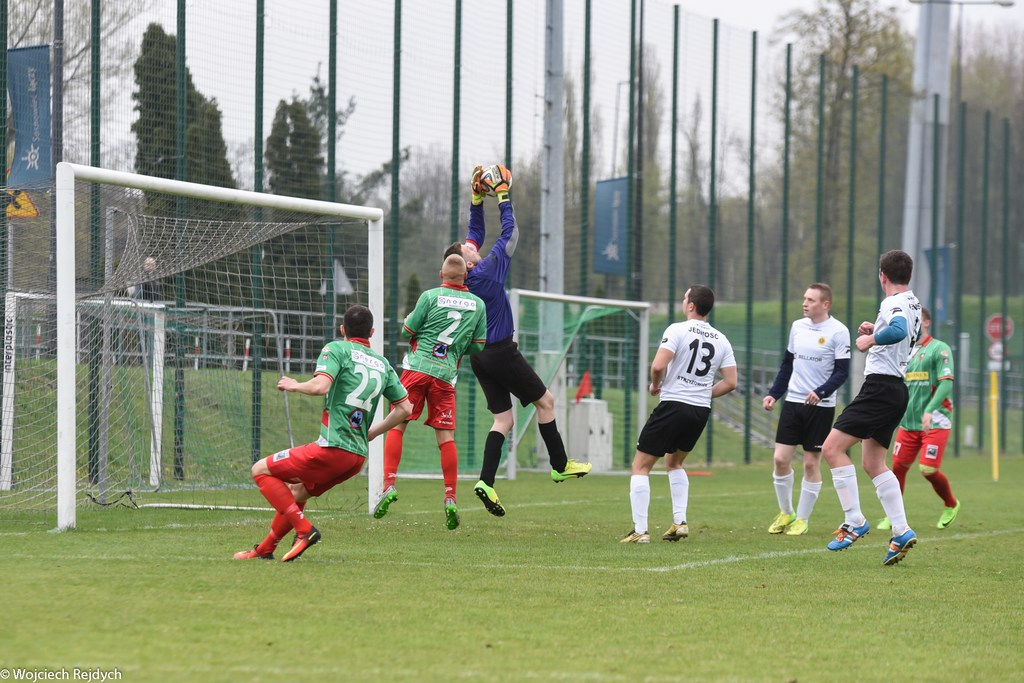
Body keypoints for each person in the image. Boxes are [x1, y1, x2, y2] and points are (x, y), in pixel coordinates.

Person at [443, 163, 592, 517]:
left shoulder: (465, 275)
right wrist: (503, 196)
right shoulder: (487, 271)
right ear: (467, 264)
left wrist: (476, 200)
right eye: (467, 249)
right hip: (501, 352)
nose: (471, 245)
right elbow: (511, 234)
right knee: (547, 402)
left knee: (504, 421)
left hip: (479, 357)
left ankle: (486, 482)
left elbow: (474, 232)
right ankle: (560, 465)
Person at [233, 304, 412, 562]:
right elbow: (405, 408)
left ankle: (304, 530)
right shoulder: (383, 365)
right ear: (372, 332)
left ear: (342, 329)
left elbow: (320, 387)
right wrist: (372, 433)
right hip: (356, 458)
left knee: (260, 470)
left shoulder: (337, 349)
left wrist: (294, 385)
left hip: (332, 447)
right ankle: (264, 550)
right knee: (298, 492)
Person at [820, 249, 923, 566]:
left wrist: (871, 340)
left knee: (831, 449)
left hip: (879, 388)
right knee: (873, 463)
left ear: (883, 275)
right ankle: (901, 530)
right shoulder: (913, 302)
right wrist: (875, 330)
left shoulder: (892, 302)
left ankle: (854, 520)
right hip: (896, 390)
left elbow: (899, 331)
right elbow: (910, 333)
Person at [373, 254, 487, 530]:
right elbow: (479, 345)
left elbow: (406, 331)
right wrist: (456, 347)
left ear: (440, 274)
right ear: (465, 276)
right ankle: (450, 498)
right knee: (446, 438)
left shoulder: (429, 296)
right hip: (445, 375)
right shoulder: (478, 304)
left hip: (417, 368)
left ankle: (389, 484)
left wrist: (414, 328)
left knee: (398, 424)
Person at [621, 285, 738, 543]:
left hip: (674, 404)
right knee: (674, 463)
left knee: (640, 466)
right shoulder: (722, 339)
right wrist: (702, 393)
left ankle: (640, 531)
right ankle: (680, 522)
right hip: (699, 411)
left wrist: (655, 385)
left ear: (691, 305)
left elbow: (657, 366)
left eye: (685, 297)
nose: (683, 301)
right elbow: (731, 382)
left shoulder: (677, 329)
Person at [762, 283, 850, 536]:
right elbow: (787, 365)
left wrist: (821, 392)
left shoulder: (839, 331)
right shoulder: (797, 327)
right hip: (793, 403)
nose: (805, 303)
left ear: (825, 304)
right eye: (804, 299)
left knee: (811, 463)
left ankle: (802, 519)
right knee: (780, 459)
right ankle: (786, 512)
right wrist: (774, 394)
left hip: (820, 407)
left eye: (811, 300)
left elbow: (842, 372)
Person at [878, 306, 960, 531]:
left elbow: (946, 383)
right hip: (908, 423)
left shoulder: (939, 349)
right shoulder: (904, 352)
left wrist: (930, 410)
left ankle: (951, 504)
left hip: (935, 421)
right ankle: (893, 516)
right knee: (897, 469)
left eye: (917, 320)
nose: (913, 325)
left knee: (928, 469)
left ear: (926, 322)